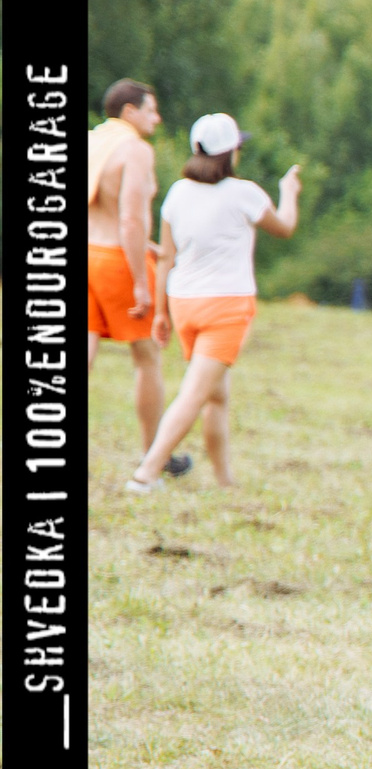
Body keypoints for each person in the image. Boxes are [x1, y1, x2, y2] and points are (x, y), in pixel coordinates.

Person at [127, 115, 299, 490]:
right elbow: (284, 227)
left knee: (216, 394)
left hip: (183, 303)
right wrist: (289, 191)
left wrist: (160, 313)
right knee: (194, 394)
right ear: (230, 153)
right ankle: (147, 472)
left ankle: (224, 481)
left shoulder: (177, 194)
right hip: (227, 307)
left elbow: (166, 258)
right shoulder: (244, 193)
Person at [86, 80, 186, 474]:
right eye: (151, 110)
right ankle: (154, 456)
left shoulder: (93, 143)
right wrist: (143, 283)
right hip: (116, 262)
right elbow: (128, 217)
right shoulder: (136, 151)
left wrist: (147, 245)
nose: (156, 118)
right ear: (129, 111)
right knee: (146, 358)